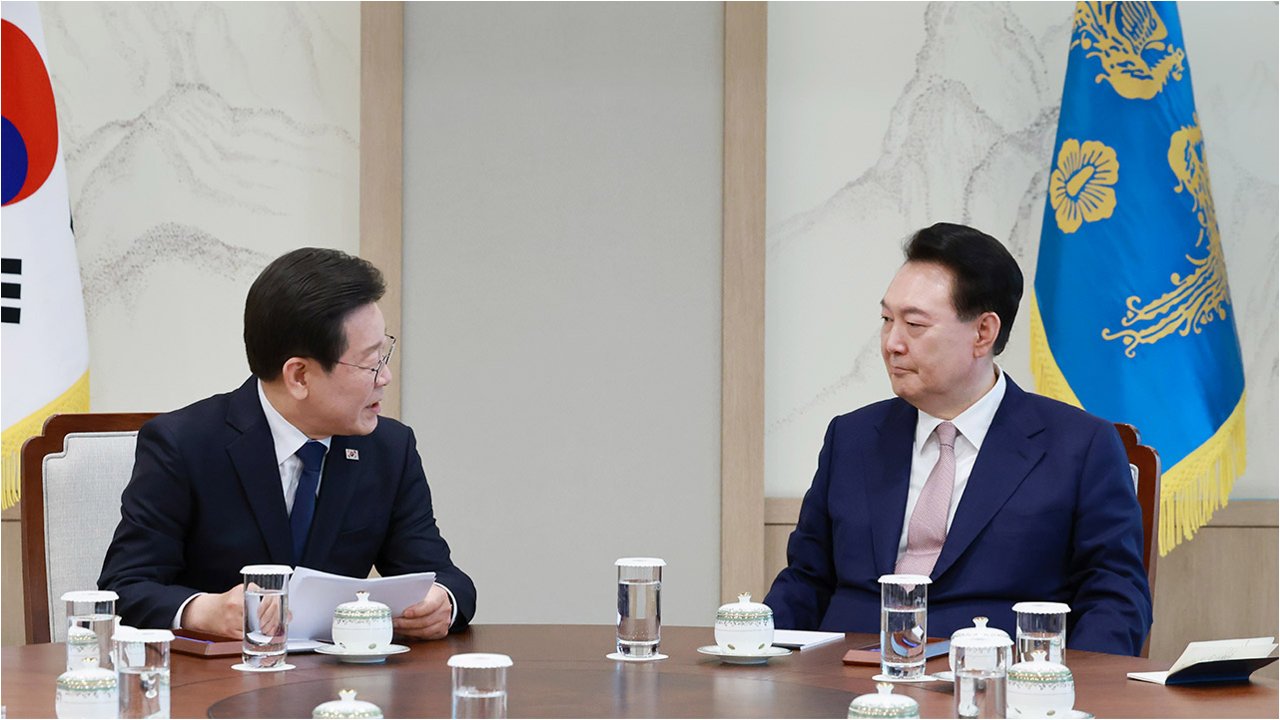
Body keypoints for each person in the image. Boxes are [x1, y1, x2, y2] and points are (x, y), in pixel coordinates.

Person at [762, 223, 1151, 656]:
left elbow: (1115, 598)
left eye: (914, 324)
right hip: (844, 678)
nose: (891, 344)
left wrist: (1064, 686)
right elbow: (806, 580)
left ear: (983, 333)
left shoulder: (1079, 446)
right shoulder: (851, 437)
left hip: (991, 679)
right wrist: (757, 653)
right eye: (887, 320)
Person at [99, 247, 476, 640]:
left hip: (340, 675)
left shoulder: (389, 450)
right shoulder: (184, 444)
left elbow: (444, 577)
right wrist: (203, 611)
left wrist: (443, 602)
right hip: (220, 672)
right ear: (299, 375)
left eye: (385, 355)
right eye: (370, 363)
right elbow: (124, 588)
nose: (385, 377)